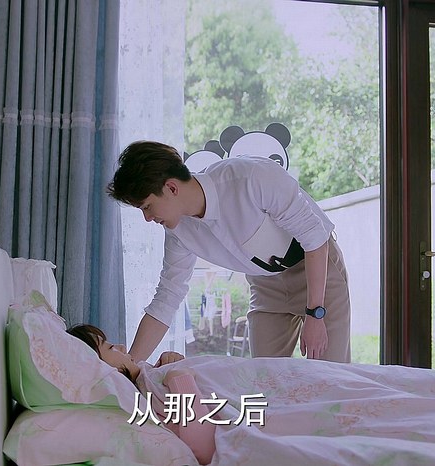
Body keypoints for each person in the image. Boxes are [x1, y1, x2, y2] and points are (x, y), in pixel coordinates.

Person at [107, 141, 351, 363]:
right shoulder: (178, 231)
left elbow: (314, 238)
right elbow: (167, 297)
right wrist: (128, 367)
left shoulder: (251, 177)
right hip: (265, 285)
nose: (147, 218)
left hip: (315, 267)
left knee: (330, 376)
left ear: (171, 188)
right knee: (263, 379)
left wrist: (315, 314)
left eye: (147, 206)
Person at [67, 324, 216, 465]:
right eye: (111, 348)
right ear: (102, 369)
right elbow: (205, 448)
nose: (122, 347)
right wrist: (180, 379)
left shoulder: (145, 380)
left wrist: (167, 364)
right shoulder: (142, 402)